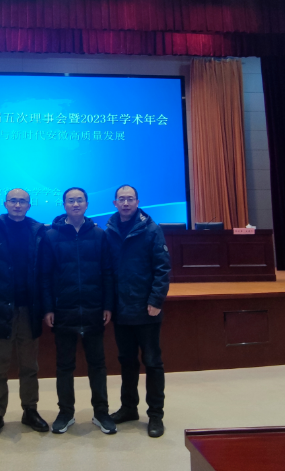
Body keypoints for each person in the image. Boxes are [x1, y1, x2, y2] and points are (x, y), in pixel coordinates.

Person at [0, 188, 49, 438]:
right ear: (5, 204)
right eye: (13, 201)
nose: (17, 205)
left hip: (29, 309)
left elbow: (45, 271)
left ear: (29, 205)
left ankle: (30, 410)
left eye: (22, 201)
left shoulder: (38, 231)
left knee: (29, 366)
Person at [42, 187, 116, 435]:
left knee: (98, 365)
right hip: (63, 309)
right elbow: (45, 276)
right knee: (65, 366)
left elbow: (107, 273)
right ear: (64, 205)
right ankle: (65, 413)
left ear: (86, 204)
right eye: (71, 201)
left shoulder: (99, 235)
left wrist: (107, 305)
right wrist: (48, 308)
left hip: (94, 309)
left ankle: (101, 412)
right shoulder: (51, 236)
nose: (75, 204)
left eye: (80, 200)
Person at [106, 185, 170, 438]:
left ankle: (155, 414)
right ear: (114, 203)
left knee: (152, 362)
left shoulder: (151, 229)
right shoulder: (109, 230)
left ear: (137, 201)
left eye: (130, 199)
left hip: (147, 308)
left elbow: (162, 268)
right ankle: (129, 408)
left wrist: (156, 300)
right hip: (121, 309)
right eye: (121, 199)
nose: (125, 203)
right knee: (127, 362)